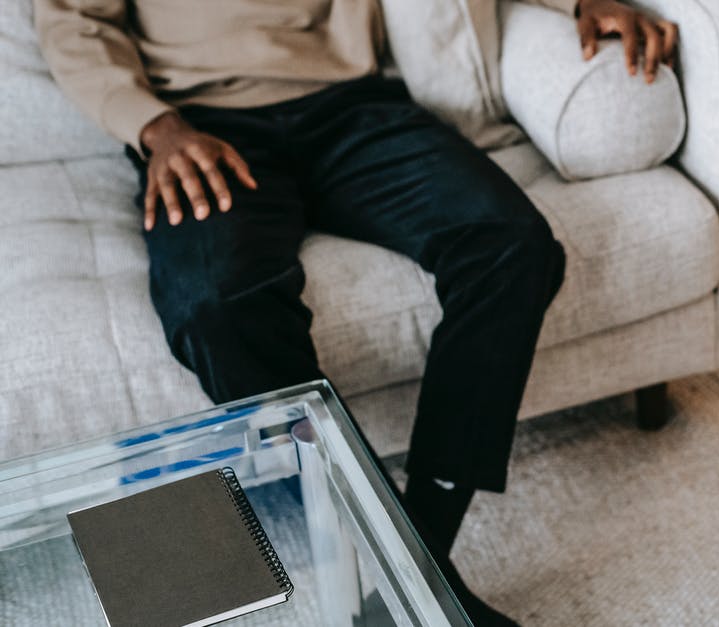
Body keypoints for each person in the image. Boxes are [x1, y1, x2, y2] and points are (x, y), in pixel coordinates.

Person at [34, 0, 677, 623]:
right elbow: (72, 19)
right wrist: (155, 127)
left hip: (353, 106)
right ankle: (416, 578)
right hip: (198, 123)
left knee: (511, 247)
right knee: (215, 307)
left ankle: (415, 556)